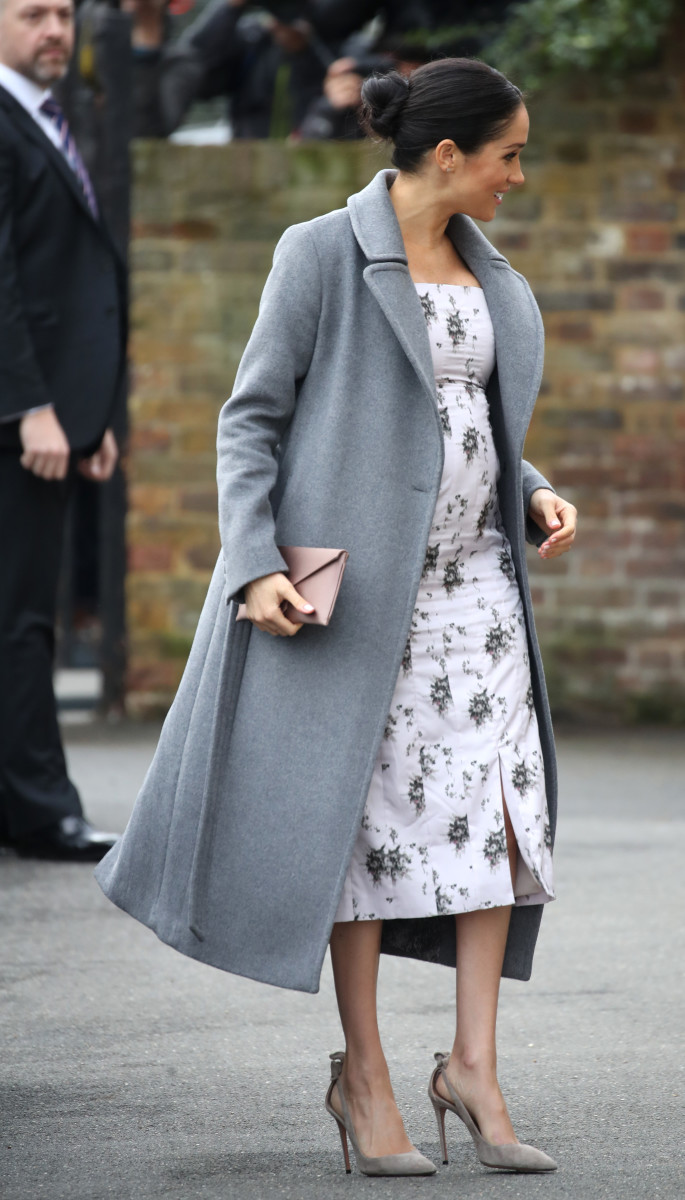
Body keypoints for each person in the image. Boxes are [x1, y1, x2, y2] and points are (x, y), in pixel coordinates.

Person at [96, 58, 577, 1175]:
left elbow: (470, 413)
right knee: (359, 832)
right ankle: (362, 1079)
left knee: (501, 818)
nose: (519, 174)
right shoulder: (319, 253)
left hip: (479, 591)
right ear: (446, 154)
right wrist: (253, 562)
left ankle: (473, 1067)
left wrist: (532, 482)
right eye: (509, 153)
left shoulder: (486, 270)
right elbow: (251, 419)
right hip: (358, 603)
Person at [0, 0, 127, 860]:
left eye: (63, 14)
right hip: (19, 419)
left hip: (53, 413)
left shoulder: (49, 116)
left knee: (19, 616)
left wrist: (92, 413)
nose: (55, 30)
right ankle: (41, 810)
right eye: (32, 14)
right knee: (21, 620)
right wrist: (31, 407)